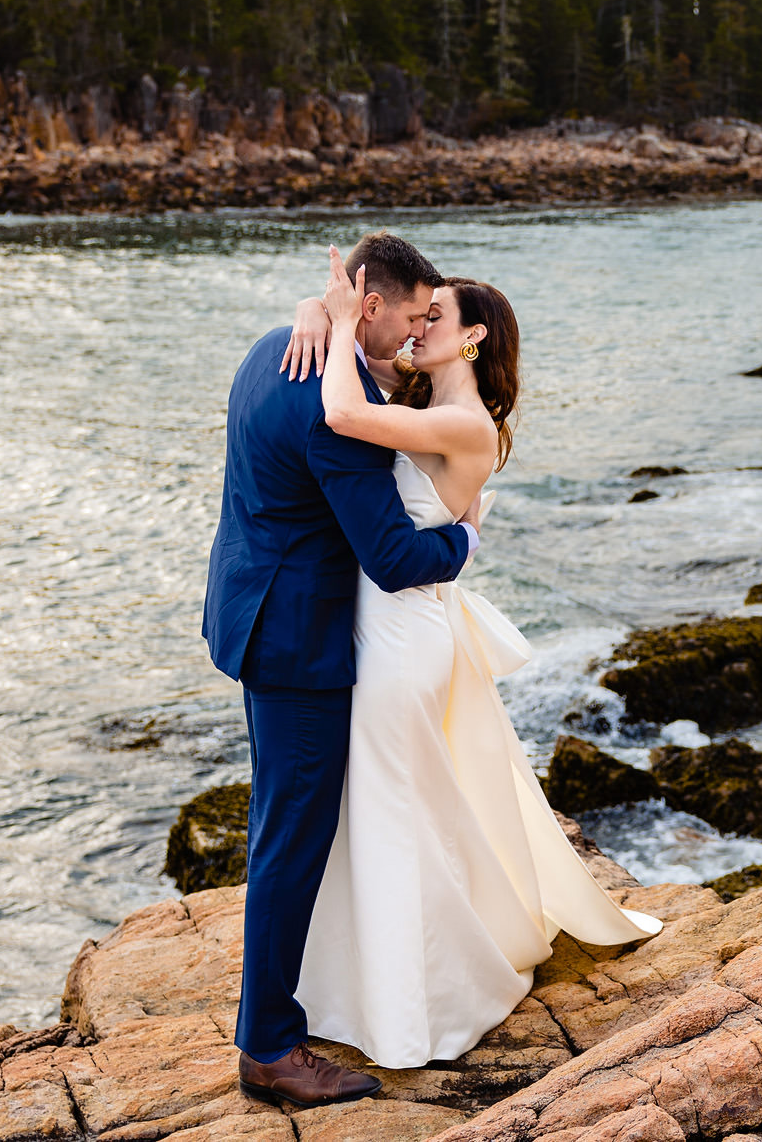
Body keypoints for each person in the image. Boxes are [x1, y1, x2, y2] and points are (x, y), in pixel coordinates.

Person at [278, 243, 661, 1073]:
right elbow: (360, 383)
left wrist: (340, 319)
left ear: (475, 336)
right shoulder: (419, 397)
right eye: (416, 314)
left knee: (392, 813)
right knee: (384, 809)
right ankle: (358, 988)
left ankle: (413, 1006)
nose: (418, 327)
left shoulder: (463, 422)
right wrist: (318, 313)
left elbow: (340, 414)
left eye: (435, 317)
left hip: (399, 640)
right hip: (379, 628)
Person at [202, 231, 478, 1107]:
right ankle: (270, 1047)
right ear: (368, 305)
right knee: (292, 838)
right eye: (405, 317)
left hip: (247, 607)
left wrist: (323, 318)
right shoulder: (339, 410)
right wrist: (466, 539)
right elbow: (394, 557)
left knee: (274, 822)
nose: (411, 334)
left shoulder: (269, 352)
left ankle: (276, 1008)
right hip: (299, 646)